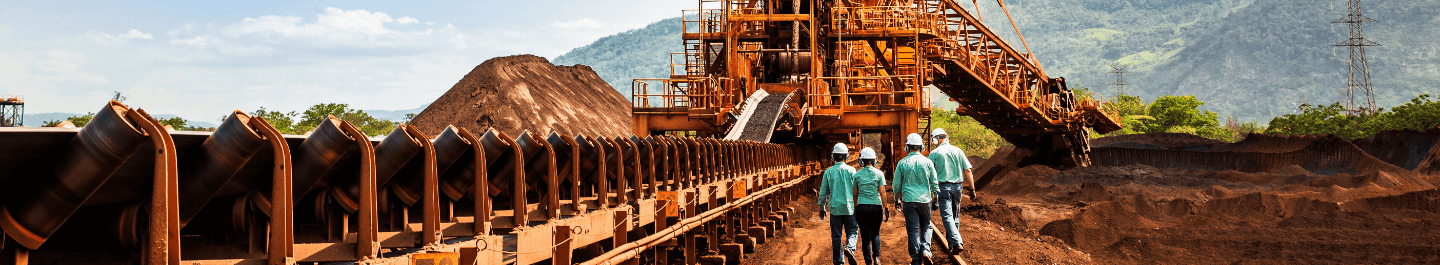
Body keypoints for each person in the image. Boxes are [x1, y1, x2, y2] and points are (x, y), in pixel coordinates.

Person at [892, 133, 940, 265]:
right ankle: (925, 250)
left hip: (909, 201)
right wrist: (935, 198)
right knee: (926, 226)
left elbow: (896, 185)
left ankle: (916, 259)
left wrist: (897, 199)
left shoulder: (902, 163)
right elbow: (934, 182)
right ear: (922, 147)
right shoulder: (928, 162)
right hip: (925, 201)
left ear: (907, 148)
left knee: (913, 230)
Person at [928, 128, 974, 254]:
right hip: (958, 187)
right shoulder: (958, 151)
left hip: (943, 188)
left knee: (947, 216)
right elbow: (968, 170)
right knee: (955, 217)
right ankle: (952, 244)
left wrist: (931, 194)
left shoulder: (934, 153)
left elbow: (929, 175)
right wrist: (972, 189)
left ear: (936, 139)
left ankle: (957, 241)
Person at [818, 143, 859, 265]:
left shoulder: (828, 172)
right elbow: (857, 190)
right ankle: (850, 248)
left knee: (836, 236)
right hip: (850, 208)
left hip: (835, 208)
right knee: (852, 231)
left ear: (833, 157)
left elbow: (823, 190)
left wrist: (822, 206)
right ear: (847, 157)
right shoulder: (852, 171)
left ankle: (838, 262)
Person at [853, 147, 889, 265]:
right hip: (876, 207)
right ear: (874, 160)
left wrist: (855, 208)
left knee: (865, 237)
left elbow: (855, 194)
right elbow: (882, 193)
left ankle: (868, 262)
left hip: (862, 208)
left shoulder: (857, 175)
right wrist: (886, 207)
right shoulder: (879, 174)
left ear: (861, 160)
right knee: (876, 234)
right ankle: (877, 258)